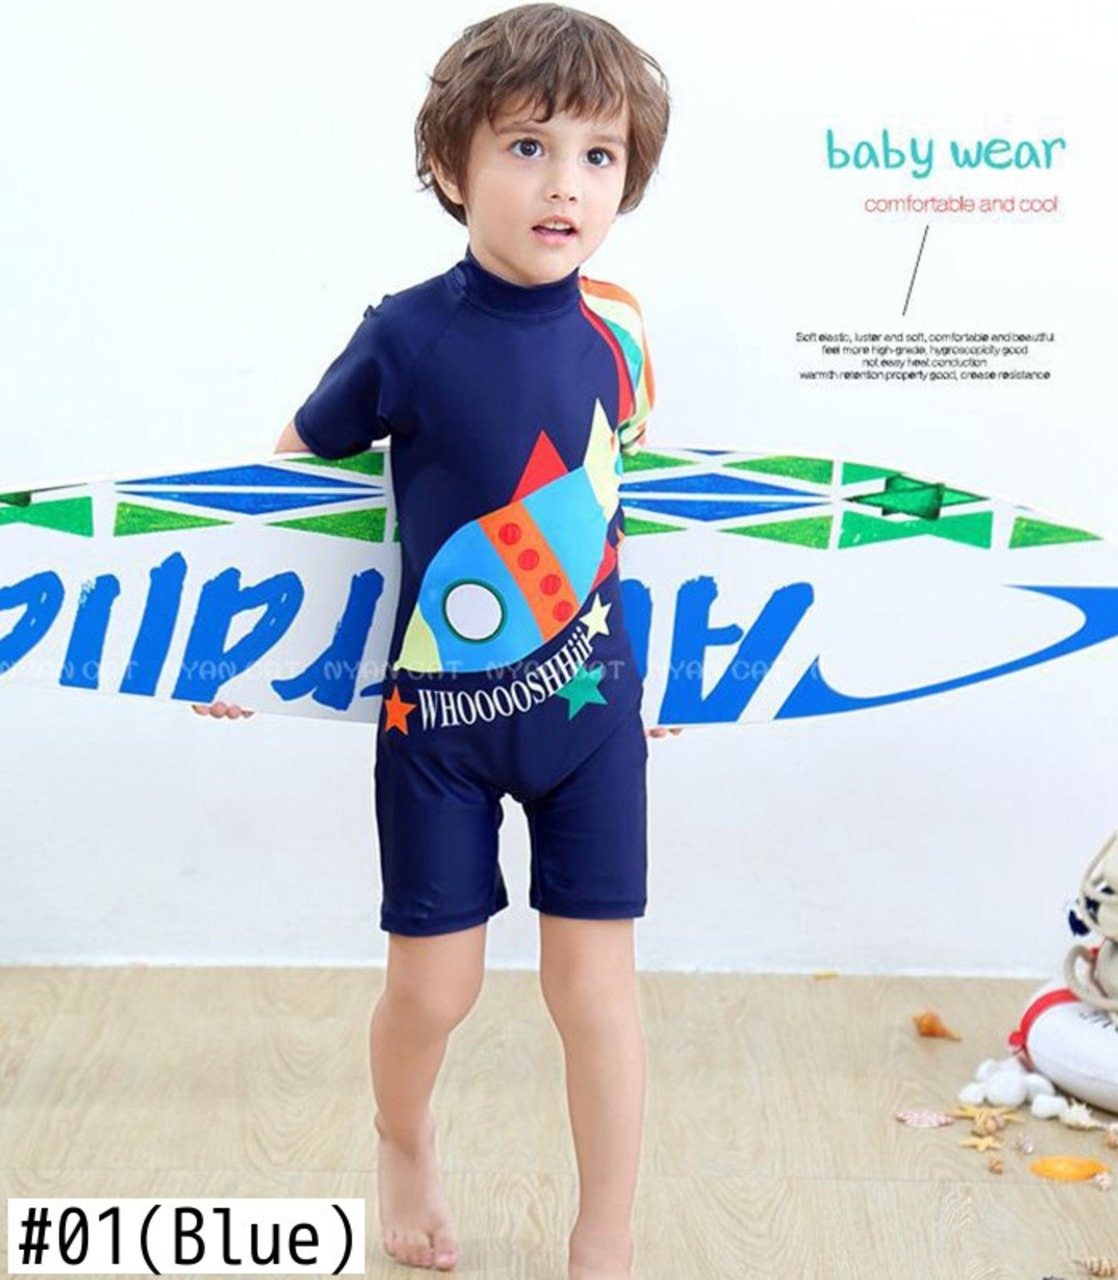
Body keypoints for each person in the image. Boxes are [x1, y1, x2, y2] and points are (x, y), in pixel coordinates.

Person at [196, 6, 673, 1275]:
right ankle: (401, 1138)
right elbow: (293, 479)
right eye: (525, 147)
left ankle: (604, 1234)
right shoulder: (405, 334)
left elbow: (634, 508)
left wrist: (671, 669)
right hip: (439, 724)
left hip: (589, 716)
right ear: (447, 167)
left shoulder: (621, 333)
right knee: (432, 989)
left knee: (594, 991)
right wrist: (233, 649)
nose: (563, 184)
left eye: (597, 156)